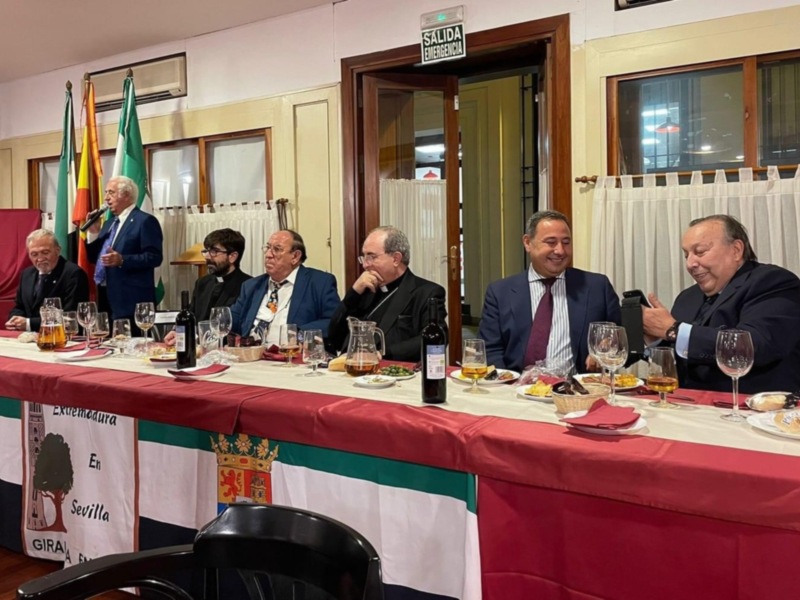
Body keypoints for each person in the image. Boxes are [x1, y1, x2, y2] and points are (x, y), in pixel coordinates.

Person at [642, 214, 800, 393]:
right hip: (689, 404)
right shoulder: (687, 297)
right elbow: (681, 361)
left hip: (752, 405)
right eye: (686, 255)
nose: (690, 264)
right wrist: (656, 338)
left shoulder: (772, 282)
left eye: (700, 252)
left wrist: (673, 330)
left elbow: (754, 346)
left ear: (736, 250)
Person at [479, 210, 621, 373]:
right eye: (551, 242)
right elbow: (490, 350)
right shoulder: (500, 292)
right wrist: (507, 384)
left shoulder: (596, 287)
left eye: (566, 242)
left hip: (577, 386)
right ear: (527, 243)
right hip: (517, 385)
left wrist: (607, 349)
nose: (560, 251)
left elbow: (621, 340)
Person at [327, 226, 447, 362]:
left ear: (396, 259)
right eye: (364, 257)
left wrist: (382, 353)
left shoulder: (427, 292)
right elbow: (334, 338)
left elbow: (436, 339)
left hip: (393, 369)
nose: (365, 265)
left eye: (371, 257)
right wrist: (353, 293)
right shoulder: (364, 290)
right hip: (350, 367)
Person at [229, 229, 339, 346]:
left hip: (292, 353)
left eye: (277, 249)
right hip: (251, 352)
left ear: (295, 256)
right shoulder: (251, 286)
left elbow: (334, 322)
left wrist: (299, 335)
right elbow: (231, 321)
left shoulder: (319, 283)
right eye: (268, 248)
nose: (268, 255)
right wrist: (217, 325)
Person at [85, 176, 163, 327]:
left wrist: (122, 260)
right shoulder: (109, 223)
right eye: (106, 193)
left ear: (126, 195)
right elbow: (95, 258)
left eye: (111, 193)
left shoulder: (144, 221)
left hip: (131, 301)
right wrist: (93, 232)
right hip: (106, 298)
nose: (106, 198)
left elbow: (154, 257)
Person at [164, 229, 251, 346]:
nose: (208, 256)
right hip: (198, 349)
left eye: (214, 251)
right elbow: (191, 316)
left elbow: (241, 328)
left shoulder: (248, 286)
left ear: (232, 256)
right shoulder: (202, 283)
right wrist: (178, 332)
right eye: (207, 251)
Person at [5, 229, 89, 331]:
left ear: (58, 250)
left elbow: (70, 316)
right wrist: (14, 319)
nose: (40, 258)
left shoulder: (73, 274)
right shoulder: (26, 274)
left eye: (45, 252)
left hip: (62, 336)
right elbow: (20, 306)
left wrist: (29, 323)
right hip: (28, 337)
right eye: (34, 254)